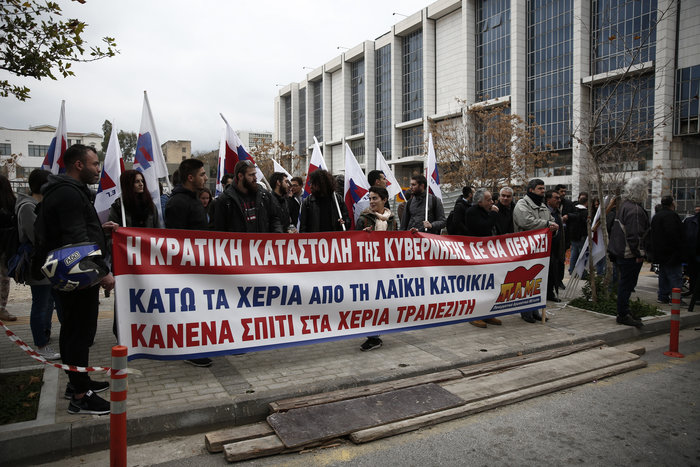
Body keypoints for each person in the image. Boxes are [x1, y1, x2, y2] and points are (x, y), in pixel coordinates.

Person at [40, 144, 114, 414]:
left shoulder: (70, 192)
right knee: (78, 332)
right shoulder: (69, 194)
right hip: (77, 277)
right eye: (95, 164)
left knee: (75, 332)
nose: (98, 169)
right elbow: (75, 242)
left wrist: (100, 229)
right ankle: (81, 396)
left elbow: (78, 230)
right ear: (78, 165)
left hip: (73, 278)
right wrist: (102, 273)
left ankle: (77, 381)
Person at [165, 158, 213, 367]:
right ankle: (188, 350)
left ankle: (198, 346)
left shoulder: (193, 200)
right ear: (190, 177)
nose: (206, 177)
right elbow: (177, 241)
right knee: (189, 310)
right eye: (202, 174)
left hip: (199, 265)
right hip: (187, 268)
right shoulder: (178, 203)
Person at [15, 169, 61, 359]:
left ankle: (45, 334)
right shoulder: (28, 207)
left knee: (48, 302)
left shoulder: (41, 205)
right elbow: (38, 237)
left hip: (48, 262)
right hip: (38, 262)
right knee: (40, 303)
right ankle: (40, 346)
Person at [355, 186, 397, 350]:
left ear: (384, 200)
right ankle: (373, 336)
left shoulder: (392, 220)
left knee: (381, 301)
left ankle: (377, 334)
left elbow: (398, 242)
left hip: (386, 267)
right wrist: (362, 235)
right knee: (370, 301)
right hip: (368, 268)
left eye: (375, 198)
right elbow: (353, 242)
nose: (371, 202)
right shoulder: (364, 218)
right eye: (370, 198)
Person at [513, 178, 559, 323]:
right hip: (526, 250)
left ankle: (535, 310)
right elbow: (526, 222)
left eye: (543, 188)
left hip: (540, 251)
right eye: (540, 188)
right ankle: (525, 311)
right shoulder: (522, 204)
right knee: (526, 280)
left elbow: (552, 220)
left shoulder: (543, 206)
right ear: (531, 190)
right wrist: (547, 224)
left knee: (537, 280)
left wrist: (553, 227)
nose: (543, 191)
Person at [607, 177, 650, 328]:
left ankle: (624, 311)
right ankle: (623, 314)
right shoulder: (635, 210)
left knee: (624, 285)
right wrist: (639, 254)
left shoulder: (626, 206)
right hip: (629, 255)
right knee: (626, 285)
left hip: (621, 253)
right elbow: (635, 236)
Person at [464, 188, 503, 329]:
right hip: (477, 255)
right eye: (488, 200)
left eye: (492, 199)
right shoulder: (472, 212)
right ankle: (474, 315)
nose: (492, 202)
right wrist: (493, 214)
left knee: (490, 285)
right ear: (479, 202)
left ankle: (487, 313)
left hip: (491, 254)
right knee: (478, 286)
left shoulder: (489, 212)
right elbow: (483, 228)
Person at [214, 161, 283, 233]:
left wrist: (277, 234)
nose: (255, 178)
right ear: (240, 176)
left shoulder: (264, 195)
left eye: (255, 174)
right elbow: (220, 231)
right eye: (251, 175)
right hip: (239, 244)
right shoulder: (225, 200)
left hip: (262, 243)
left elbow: (274, 219)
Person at [651, 195, 684, 304]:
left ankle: (663, 296)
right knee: (675, 276)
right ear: (672, 204)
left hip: (660, 252)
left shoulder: (656, 217)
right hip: (672, 253)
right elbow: (675, 235)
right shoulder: (672, 216)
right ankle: (675, 299)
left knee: (663, 275)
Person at [0, 174, 17, 322]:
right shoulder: (12, 203)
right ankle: (1, 308)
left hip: (5, 248)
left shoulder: (11, 203)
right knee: (4, 279)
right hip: (6, 248)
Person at [545, 189, 564, 302]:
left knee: (554, 272)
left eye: (559, 198)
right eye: (556, 198)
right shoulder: (544, 212)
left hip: (557, 248)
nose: (559, 200)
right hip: (547, 248)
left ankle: (550, 293)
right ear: (548, 200)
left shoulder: (557, 212)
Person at [556, 184, 574, 289]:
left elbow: (576, 215)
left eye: (564, 191)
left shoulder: (568, 203)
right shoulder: (548, 203)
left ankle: (559, 280)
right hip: (553, 236)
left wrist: (568, 216)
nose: (563, 193)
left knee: (561, 259)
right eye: (561, 191)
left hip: (565, 236)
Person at [567, 193, 589, 276]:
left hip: (573, 236)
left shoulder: (573, 210)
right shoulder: (585, 212)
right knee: (582, 255)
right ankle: (582, 273)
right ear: (586, 203)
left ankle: (572, 270)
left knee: (573, 254)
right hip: (581, 236)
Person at [684, 206, 700, 311]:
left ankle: (695, 295)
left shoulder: (690, 221)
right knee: (694, 275)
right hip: (694, 255)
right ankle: (696, 296)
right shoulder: (690, 221)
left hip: (692, 254)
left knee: (694, 275)